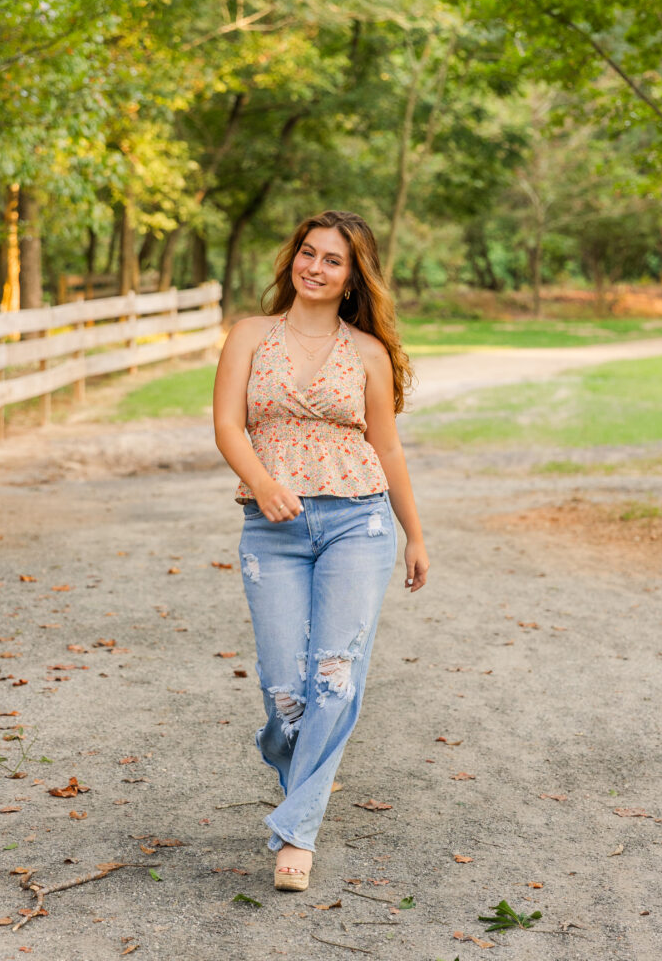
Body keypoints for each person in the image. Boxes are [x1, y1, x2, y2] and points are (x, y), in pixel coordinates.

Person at [213, 209, 429, 891]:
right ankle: (293, 763)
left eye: (332, 259)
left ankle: (294, 836)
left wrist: (414, 534)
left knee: (333, 678)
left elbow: (387, 446)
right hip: (271, 532)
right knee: (286, 695)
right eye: (307, 253)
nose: (315, 266)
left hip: (356, 526)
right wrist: (262, 484)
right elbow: (226, 424)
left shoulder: (366, 352)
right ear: (293, 261)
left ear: (351, 275)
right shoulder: (249, 335)